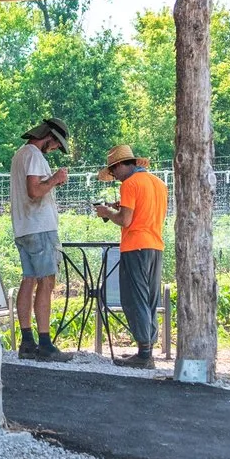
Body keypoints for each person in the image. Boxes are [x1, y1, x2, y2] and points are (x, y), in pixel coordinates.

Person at [94, 144, 167, 370]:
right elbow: (144, 210)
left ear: (120, 165)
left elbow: (125, 220)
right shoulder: (158, 183)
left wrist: (107, 212)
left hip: (135, 246)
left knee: (134, 298)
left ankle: (144, 354)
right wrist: (120, 207)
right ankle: (146, 349)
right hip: (155, 245)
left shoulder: (130, 184)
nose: (114, 176)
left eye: (113, 171)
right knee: (150, 299)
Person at [8, 118, 71, 359]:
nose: (55, 148)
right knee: (46, 282)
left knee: (29, 279)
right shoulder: (34, 154)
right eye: (56, 144)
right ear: (49, 137)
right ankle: (45, 344)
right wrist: (55, 179)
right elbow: (34, 191)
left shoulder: (19, 155)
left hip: (23, 228)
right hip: (40, 227)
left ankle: (27, 341)